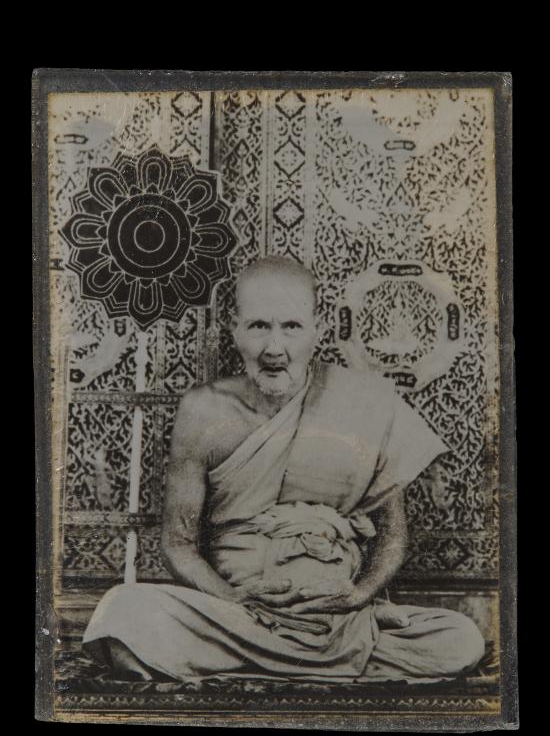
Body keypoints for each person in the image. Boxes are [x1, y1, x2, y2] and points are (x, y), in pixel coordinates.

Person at [83, 256, 485, 682]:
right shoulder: (203, 411)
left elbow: (393, 533)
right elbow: (178, 543)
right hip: (238, 616)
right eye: (259, 326)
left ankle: (275, 661)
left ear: (318, 328)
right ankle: (321, 663)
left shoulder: (367, 404)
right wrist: (235, 600)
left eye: (291, 326)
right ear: (234, 328)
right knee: (123, 614)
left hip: (338, 615)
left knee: (460, 640)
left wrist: (358, 597)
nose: (274, 348)